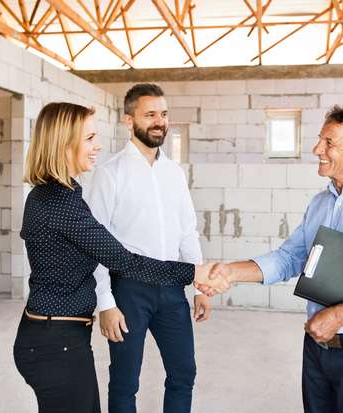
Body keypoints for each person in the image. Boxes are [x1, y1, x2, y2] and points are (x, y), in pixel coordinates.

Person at [197, 105, 343, 413]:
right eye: (320, 140)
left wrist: (337, 317)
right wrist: (230, 272)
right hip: (318, 349)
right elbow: (290, 258)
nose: (316, 149)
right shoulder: (322, 202)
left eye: (329, 142)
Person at [12, 102, 228, 413]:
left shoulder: (56, 194)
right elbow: (125, 261)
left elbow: (182, 231)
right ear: (63, 142)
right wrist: (194, 273)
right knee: (123, 383)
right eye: (89, 138)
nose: (97, 145)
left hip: (55, 336)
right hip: (55, 343)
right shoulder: (61, 203)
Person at [85, 83, 209, 413]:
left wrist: (200, 287)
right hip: (128, 292)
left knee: (184, 373)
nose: (159, 121)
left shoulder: (174, 173)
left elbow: (187, 231)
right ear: (129, 121)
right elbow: (95, 245)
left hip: (172, 290)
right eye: (150, 114)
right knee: (125, 381)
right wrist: (105, 303)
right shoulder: (108, 174)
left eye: (164, 114)